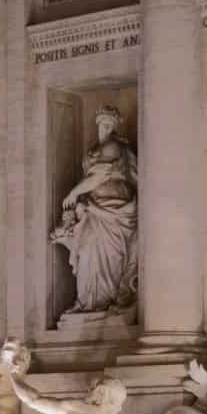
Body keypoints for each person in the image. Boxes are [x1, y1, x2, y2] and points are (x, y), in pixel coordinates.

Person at [51, 106, 138, 312]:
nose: (105, 130)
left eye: (110, 125)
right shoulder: (92, 152)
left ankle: (105, 302)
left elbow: (100, 175)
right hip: (94, 209)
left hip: (115, 210)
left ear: (115, 128)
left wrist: (73, 193)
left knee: (111, 257)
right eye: (102, 125)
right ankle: (88, 302)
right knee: (88, 250)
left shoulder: (115, 147)